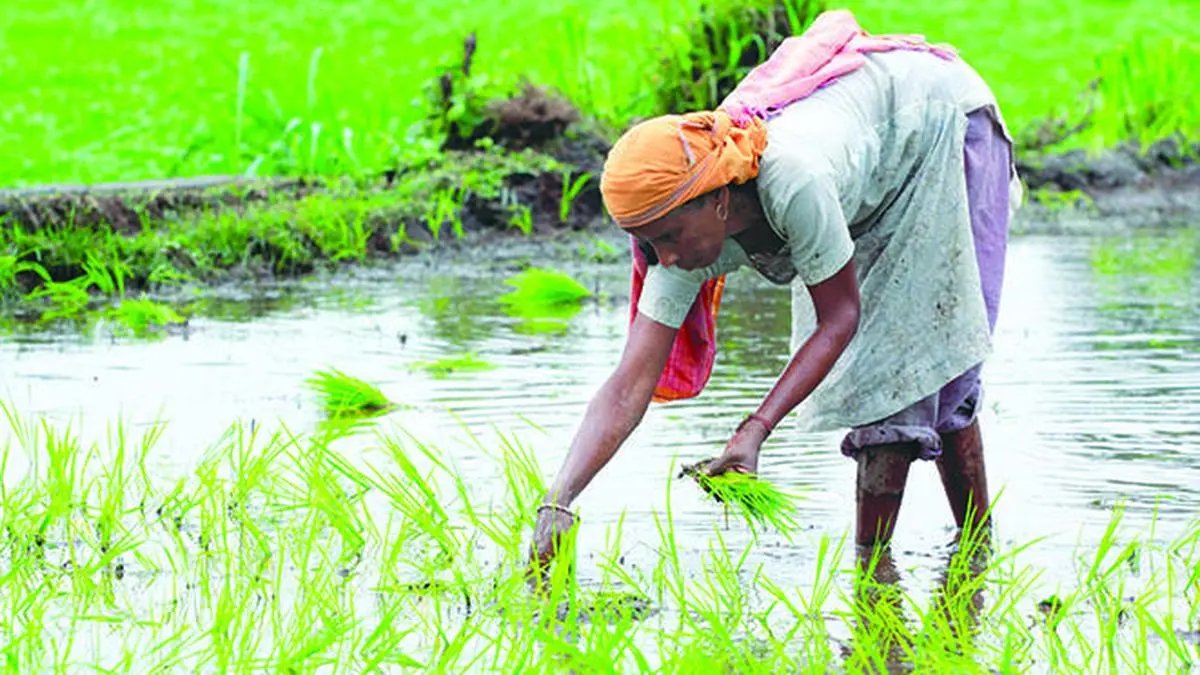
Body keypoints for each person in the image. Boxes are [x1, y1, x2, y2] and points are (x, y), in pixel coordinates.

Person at [527, 10, 1021, 576]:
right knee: (898, 369)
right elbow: (628, 385)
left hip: (935, 123)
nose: (664, 258)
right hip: (866, 164)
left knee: (901, 369)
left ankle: (888, 578)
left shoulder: (793, 181)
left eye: (668, 237)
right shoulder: (678, 235)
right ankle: (956, 562)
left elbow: (840, 317)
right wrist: (558, 500)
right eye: (647, 242)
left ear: (719, 200)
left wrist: (755, 429)